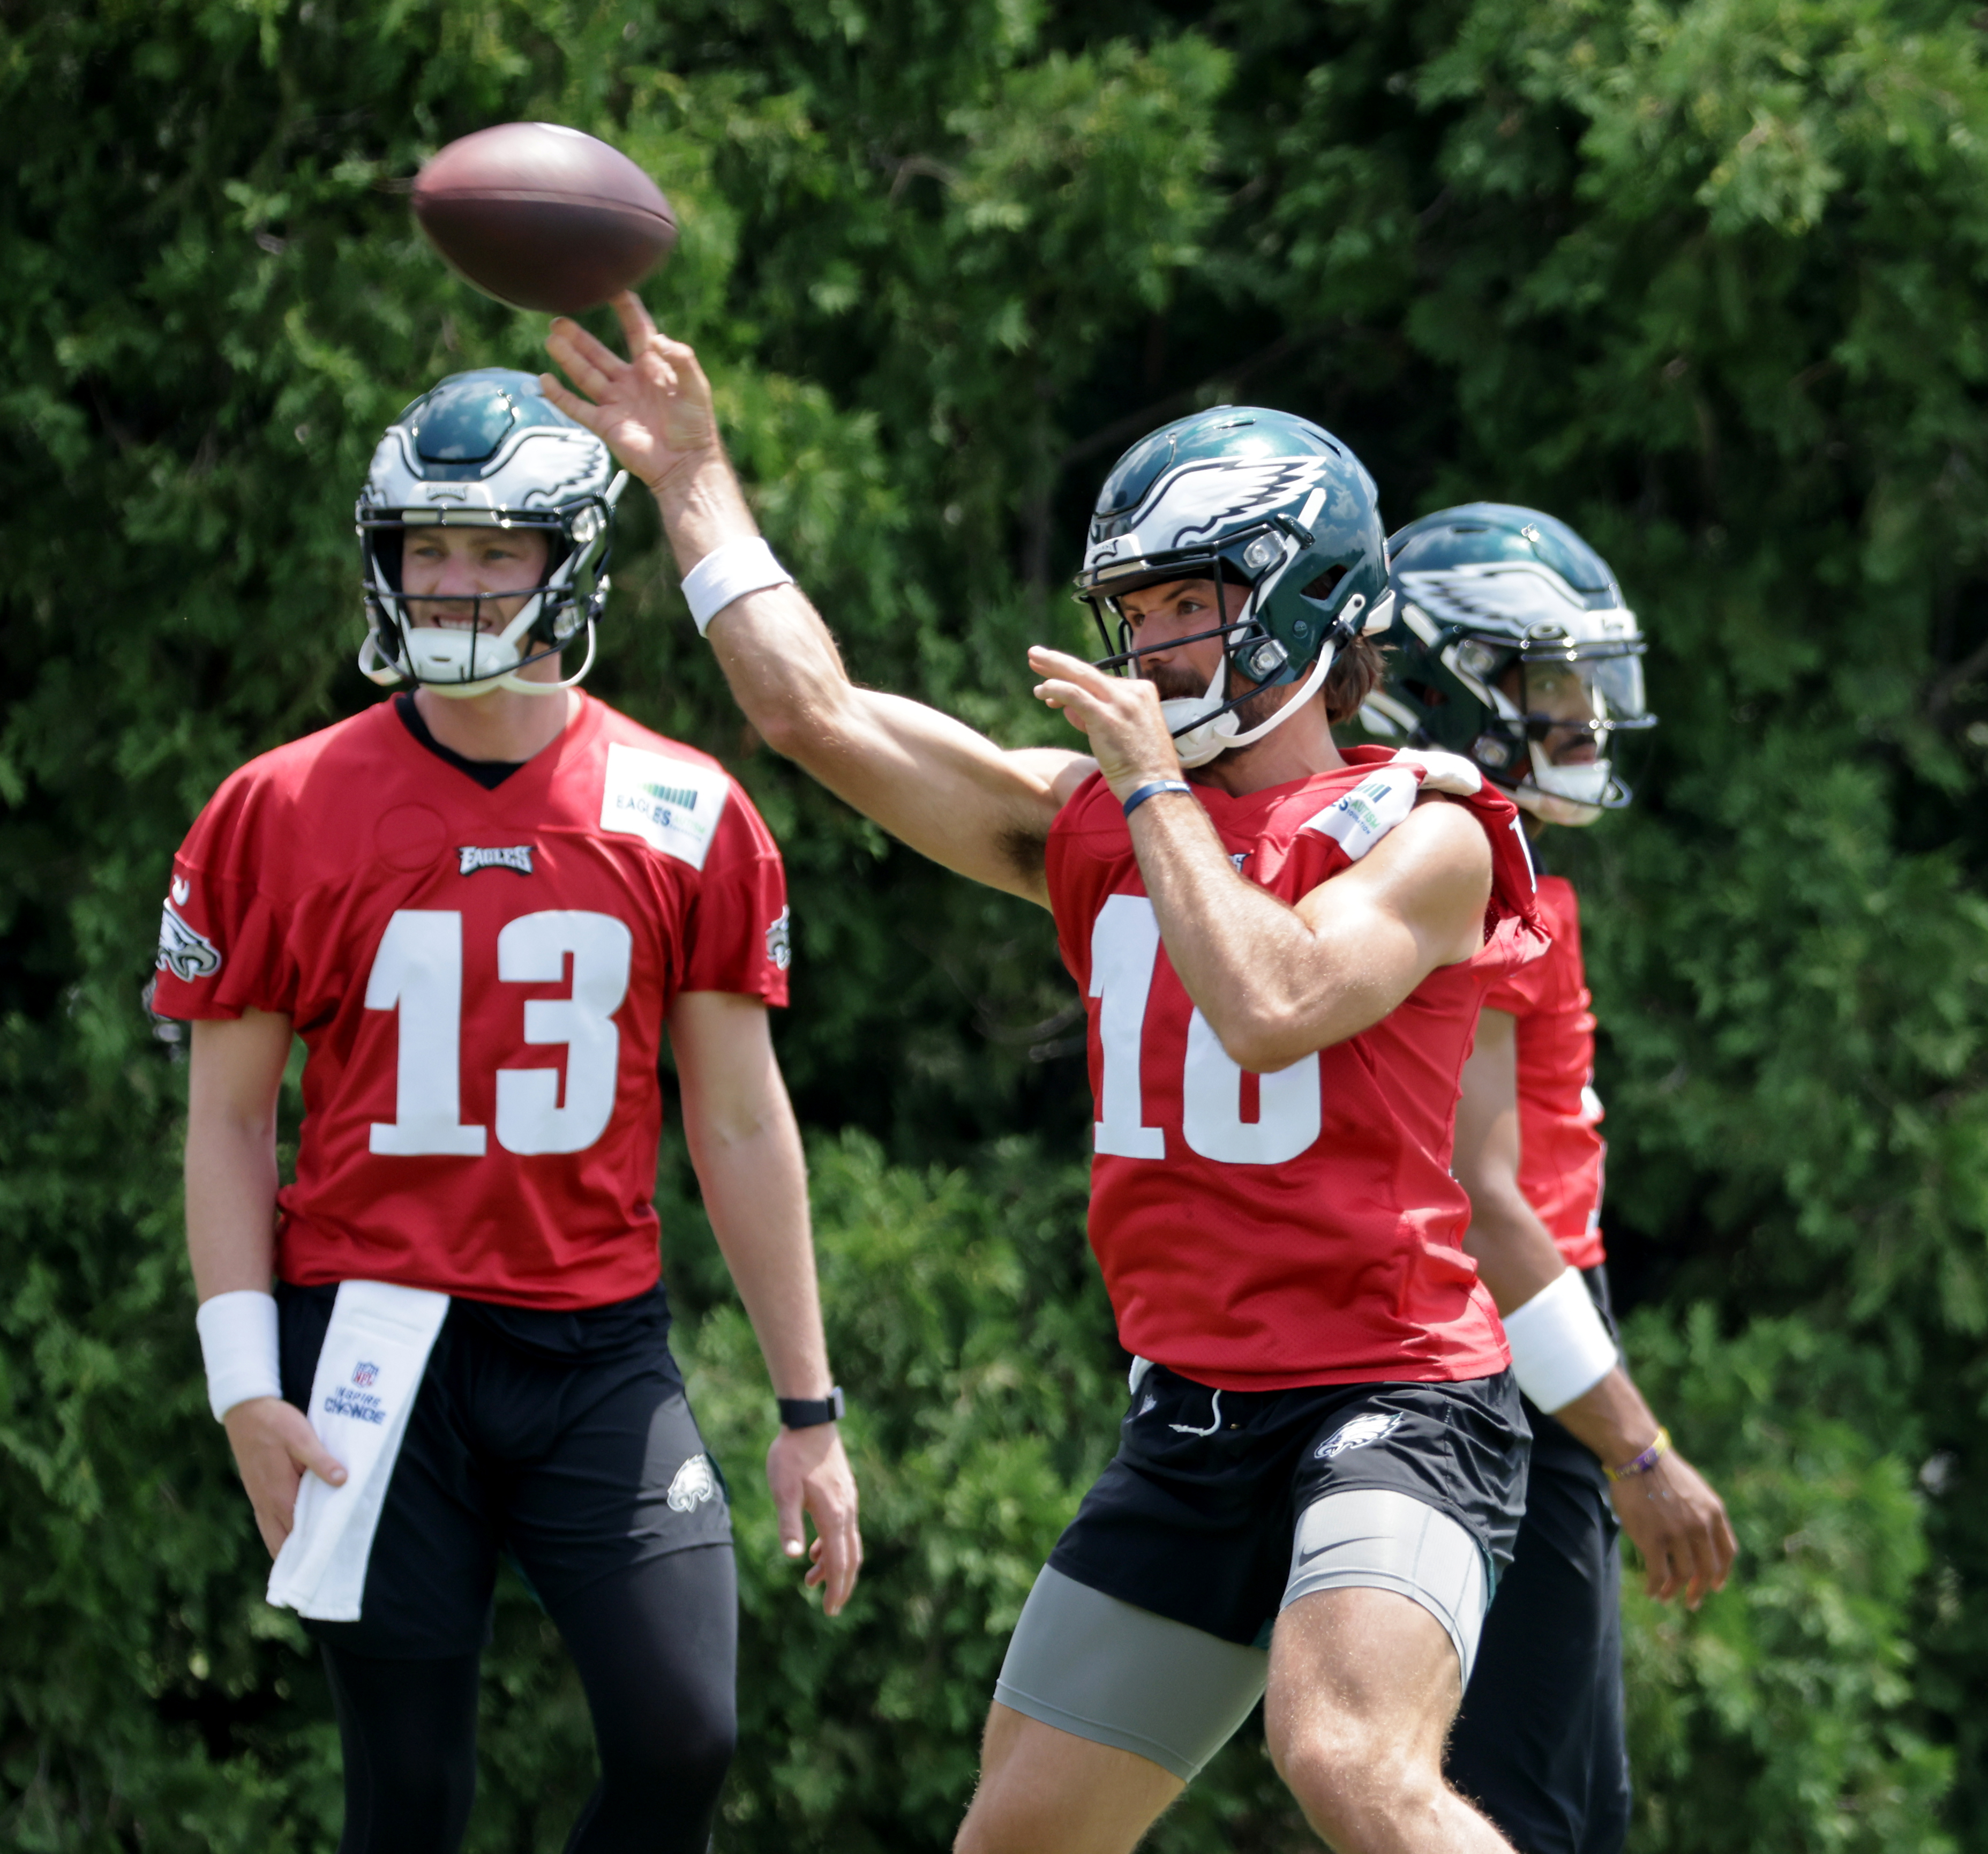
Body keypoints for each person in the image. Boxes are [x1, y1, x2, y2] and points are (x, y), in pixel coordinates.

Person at [544, 300, 1550, 1854]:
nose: (1151, 650)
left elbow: (1274, 999)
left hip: (1395, 1393)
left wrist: (1153, 785)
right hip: (1194, 1412)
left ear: (1306, 610)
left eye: (1193, 606)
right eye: (1135, 612)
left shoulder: (1428, 831)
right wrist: (692, 478)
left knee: (1346, 1754)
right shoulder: (1098, 820)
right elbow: (810, 714)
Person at [152, 367, 861, 1854]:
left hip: (593, 1342)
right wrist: (241, 1382)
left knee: (684, 1735)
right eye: (426, 549)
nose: (454, 584)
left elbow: (736, 1120)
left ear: (573, 561)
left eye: (495, 551)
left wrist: (808, 1407)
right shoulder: (280, 807)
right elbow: (229, 1118)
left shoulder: (685, 809)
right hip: (365, 1340)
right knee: (407, 1798)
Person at [1363, 504, 1738, 1853]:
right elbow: (1481, 1202)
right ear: (1442, 689)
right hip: (1511, 1374)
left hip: (1507, 1359)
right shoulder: (1462, 873)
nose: (1581, 720)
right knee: (1528, 1816)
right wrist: (1636, 1446)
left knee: (1573, 1809)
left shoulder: (1448, 860)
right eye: (1547, 686)